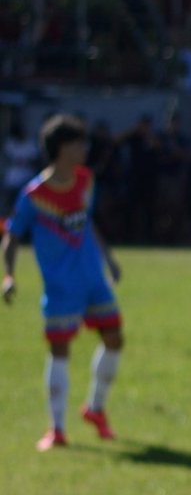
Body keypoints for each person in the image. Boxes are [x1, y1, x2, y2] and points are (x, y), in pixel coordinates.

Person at [1, 115, 124, 450]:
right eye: (78, 143)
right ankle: (56, 429)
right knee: (60, 350)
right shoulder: (33, 195)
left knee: (114, 337)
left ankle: (95, 408)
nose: (84, 148)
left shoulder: (86, 180)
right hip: (61, 286)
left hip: (93, 278)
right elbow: (11, 236)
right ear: (61, 148)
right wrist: (9, 275)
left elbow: (86, 223)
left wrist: (108, 259)